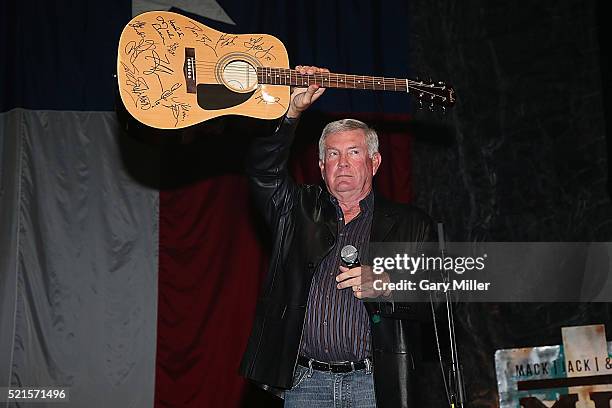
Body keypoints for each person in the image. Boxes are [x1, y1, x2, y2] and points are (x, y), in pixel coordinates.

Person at [239, 66, 436, 408]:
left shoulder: (409, 223)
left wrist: (388, 284)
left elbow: (443, 296)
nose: (342, 163)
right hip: (305, 384)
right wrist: (291, 114)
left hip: (373, 385)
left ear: (374, 162)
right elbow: (263, 170)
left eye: (354, 152)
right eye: (333, 154)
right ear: (321, 165)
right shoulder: (297, 210)